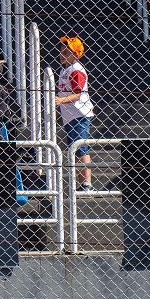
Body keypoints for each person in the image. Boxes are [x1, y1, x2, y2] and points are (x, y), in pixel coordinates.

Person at [55, 36, 95, 192]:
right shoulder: (64, 69)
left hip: (79, 114)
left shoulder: (76, 70)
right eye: (62, 51)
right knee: (75, 149)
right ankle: (81, 183)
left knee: (81, 148)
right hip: (71, 115)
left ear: (76, 55)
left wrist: (60, 101)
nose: (62, 54)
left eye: (67, 52)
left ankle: (87, 184)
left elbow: (78, 94)